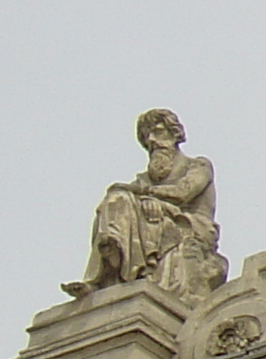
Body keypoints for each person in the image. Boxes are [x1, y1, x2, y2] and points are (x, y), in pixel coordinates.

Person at [64, 109, 225, 305]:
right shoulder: (144, 179)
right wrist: (141, 196)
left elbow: (183, 193)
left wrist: (149, 196)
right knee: (116, 199)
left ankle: (122, 264)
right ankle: (103, 274)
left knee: (128, 198)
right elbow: (133, 197)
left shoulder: (198, 165)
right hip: (156, 220)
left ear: (175, 134)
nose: (151, 140)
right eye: (146, 137)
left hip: (190, 226)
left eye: (158, 132)